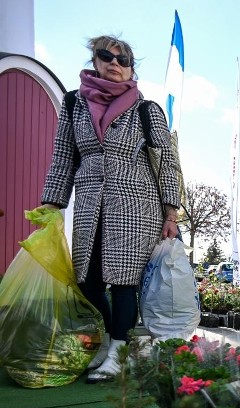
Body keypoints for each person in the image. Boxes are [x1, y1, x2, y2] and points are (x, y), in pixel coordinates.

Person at [40, 35, 180, 383]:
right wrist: (51, 202)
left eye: (123, 60)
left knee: (122, 282)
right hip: (89, 201)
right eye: (107, 57)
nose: (114, 64)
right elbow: (63, 157)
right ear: (95, 60)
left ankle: (118, 352)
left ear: (131, 69)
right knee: (87, 281)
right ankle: (111, 342)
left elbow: (168, 163)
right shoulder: (73, 104)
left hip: (137, 204)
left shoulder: (147, 110)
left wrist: (171, 212)